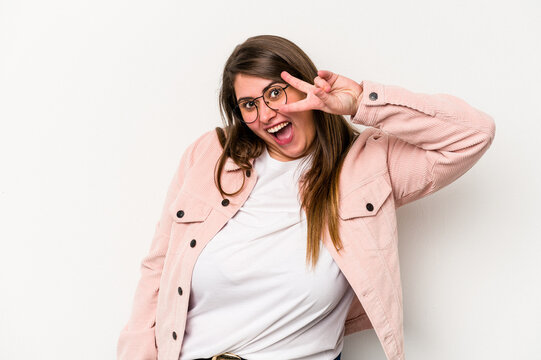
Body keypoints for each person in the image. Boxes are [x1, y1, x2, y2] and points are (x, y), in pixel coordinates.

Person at [117, 35, 495, 360]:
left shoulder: (367, 168)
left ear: (306, 86)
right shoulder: (210, 155)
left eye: (275, 92)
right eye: (249, 104)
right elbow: (158, 268)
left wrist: (362, 100)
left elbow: (473, 134)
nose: (266, 114)